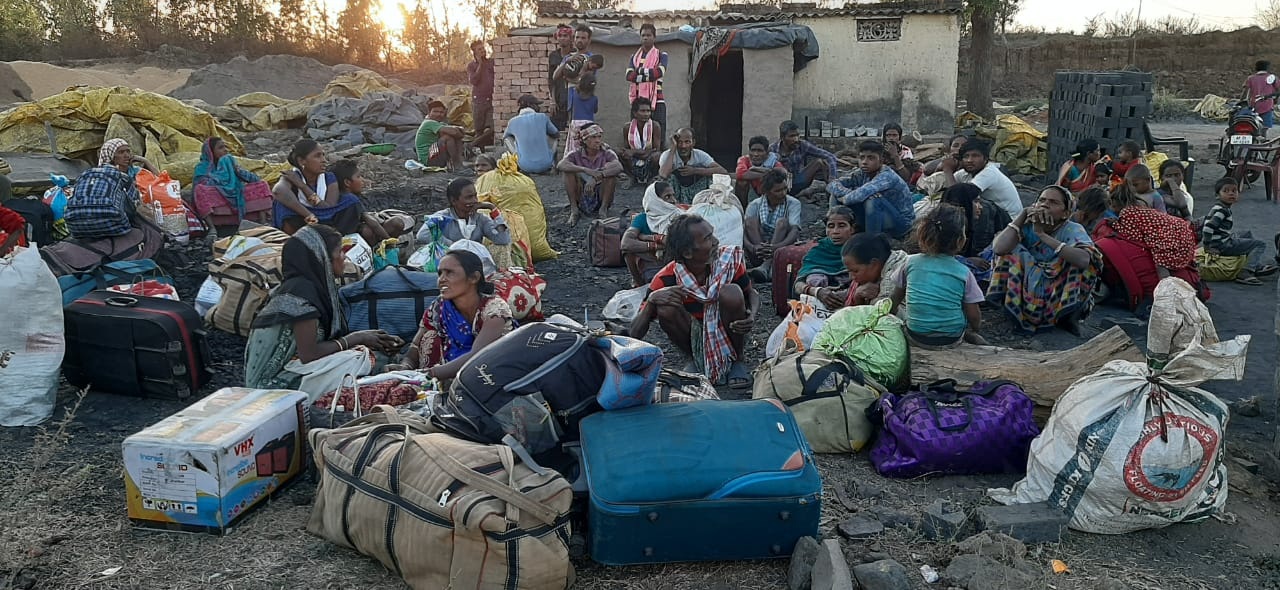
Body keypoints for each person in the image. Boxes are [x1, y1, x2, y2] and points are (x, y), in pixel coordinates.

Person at [244, 225, 402, 393]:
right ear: (322, 258)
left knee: (368, 355)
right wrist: (357, 338)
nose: (344, 257)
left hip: (294, 366)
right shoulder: (301, 294)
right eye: (340, 251)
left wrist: (366, 338)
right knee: (367, 360)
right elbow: (309, 355)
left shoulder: (311, 287)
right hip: (272, 385)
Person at [631, 214, 759, 388]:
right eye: (707, 239)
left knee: (732, 292)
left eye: (712, 235)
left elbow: (751, 293)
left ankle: (737, 359)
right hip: (693, 332)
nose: (716, 242)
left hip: (728, 328)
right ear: (687, 253)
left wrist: (751, 316)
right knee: (666, 307)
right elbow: (634, 333)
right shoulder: (666, 278)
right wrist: (652, 302)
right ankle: (694, 358)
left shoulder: (728, 262)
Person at [988, 186, 1101, 335]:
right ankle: (1012, 313)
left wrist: (1042, 234)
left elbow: (1084, 260)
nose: (1045, 205)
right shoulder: (1026, 225)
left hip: (1057, 285)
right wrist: (1023, 215)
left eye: (1053, 202)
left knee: (1085, 262)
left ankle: (1068, 317)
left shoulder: (1072, 229)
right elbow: (998, 249)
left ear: (1065, 213)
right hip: (1029, 281)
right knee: (1009, 252)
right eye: (1041, 200)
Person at [401, 249, 517, 382]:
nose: (441, 279)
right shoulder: (439, 306)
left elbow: (477, 355)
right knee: (429, 337)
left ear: (474, 278)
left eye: (449, 273)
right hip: (442, 374)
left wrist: (429, 374)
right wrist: (405, 366)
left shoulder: (494, 309)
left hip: (489, 377)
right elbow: (415, 345)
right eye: (440, 273)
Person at [890, 204, 987, 347]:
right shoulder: (963, 272)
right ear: (960, 241)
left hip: (915, 335)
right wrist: (976, 328)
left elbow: (895, 299)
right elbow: (973, 314)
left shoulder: (910, 262)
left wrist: (889, 316)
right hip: (951, 338)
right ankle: (971, 337)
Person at [63, 139, 151, 240]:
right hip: (115, 219)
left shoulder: (133, 170)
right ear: (111, 156)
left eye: (128, 151)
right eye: (121, 152)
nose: (126, 155)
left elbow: (161, 180)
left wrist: (145, 161)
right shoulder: (108, 177)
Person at [827, 140, 915, 239]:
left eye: (871, 158)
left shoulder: (887, 176)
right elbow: (832, 185)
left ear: (881, 160)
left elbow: (855, 197)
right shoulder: (861, 173)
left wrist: (846, 197)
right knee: (835, 194)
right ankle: (835, 231)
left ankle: (872, 240)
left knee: (872, 199)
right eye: (862, 158)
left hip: (901, 224)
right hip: (877, 218)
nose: (864, 162)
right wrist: (847, 194)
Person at [271, 140, 360, 235]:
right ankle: (297, 238)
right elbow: (278, 191)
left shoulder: (329, 177)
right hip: (304, 220)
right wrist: (309, 216)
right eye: (318, 156)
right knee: (281, 204)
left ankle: (336, 236)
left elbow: (327, 209)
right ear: (301, 161)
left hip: (328, 219)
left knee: (351, 200)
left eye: (323, 155)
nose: (324, 160)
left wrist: (302, 186)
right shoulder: (292, 176)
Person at [1202, 176, 1278, 285]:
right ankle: (1246, 272)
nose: (1231, 194)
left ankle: (1255, 265)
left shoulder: (1219, 207)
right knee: (1260, 244)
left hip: (1221, 240)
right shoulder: (1222, 211)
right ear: (1217, 195)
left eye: (1234, 191)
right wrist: (1207, 247)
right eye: (1226, 191)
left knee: (1247, 234)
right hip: (1222, 245)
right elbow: (1208, 228)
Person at [940, 183, 1011, 284]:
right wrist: (967, 261)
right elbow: (939, 258)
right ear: (964, 204)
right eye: (975, 201)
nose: (980, 207)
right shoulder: (944, 228)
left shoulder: (970, 224)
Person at [329, 159, 409, 247]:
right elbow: (371, 222)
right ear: (347, 182)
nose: (362, 180)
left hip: (343, 239)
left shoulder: (334, 198)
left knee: (394, 223)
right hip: (349, 242)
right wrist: (389, 241)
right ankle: (380, 250)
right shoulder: (351, 200)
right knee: (367, 231)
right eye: (358, 177)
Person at [792, 206, 857, 309]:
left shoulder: (859, 249)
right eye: (831, 226)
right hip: (819, 305)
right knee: (814, 278)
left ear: (852, 228)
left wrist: (847, 293)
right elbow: (798, 285)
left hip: (852, 302)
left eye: (841, 226)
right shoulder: (817, 252)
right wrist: (817, 292)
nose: (835, 231)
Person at [557, 123, 622, 224]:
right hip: (582, 193)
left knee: (611, 176)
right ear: (584, 140)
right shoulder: (575, 154)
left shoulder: (607, 152)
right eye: (593, 137)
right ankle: (574, 210)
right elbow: (560, 165)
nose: (598, 140)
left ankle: (603, 210)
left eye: (599, 137)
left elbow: (618, 167)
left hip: (600, 193)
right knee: (568, 173)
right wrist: (585, 170)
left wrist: (597, 178)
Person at [621, 180, 682, 287]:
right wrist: (655, 245)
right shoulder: (643, 218)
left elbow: (675, 243)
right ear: (655, 200)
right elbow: (625, 243)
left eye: (673, 196)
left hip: (677, 263)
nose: (673, 201)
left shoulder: (679, 216)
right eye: (667, 197)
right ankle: (639, 282)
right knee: (627, 251)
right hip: (653, 262)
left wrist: (647, 237)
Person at [743, 169, 802, 281]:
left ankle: (765, 266)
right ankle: (767, 266)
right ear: (767, 192)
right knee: (750, 221)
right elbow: (744, 232)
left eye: (785, 189)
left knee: (783, 222)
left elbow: (795, 231)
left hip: (781, 249)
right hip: (759, 252)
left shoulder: (793, 203)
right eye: (778, 191)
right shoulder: (754, 205)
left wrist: (776, 247)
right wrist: (753, 247)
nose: (783, 193)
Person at [193, 136, 264, 228]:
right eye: (220, 148)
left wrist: (238, 171)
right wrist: (222, 174)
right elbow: (202, 184)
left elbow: (255, 180)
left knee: (262, 185)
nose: (225, 150)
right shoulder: (202, 167)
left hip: (236, 193)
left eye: (225, 147)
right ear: (210, 152)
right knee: (199, 190)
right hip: (218, 195)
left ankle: (263, 223)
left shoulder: (230, 163)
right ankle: (212, 228)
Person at [419, 177, 510, 246]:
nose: (475, 200)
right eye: (469, 197)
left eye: (475, 196)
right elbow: (422, 235)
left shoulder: (479, 219)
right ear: (454, 201)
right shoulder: (443, 217)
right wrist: (452, 245)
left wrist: (492, 208)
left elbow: (503, 240)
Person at [943, 139, 1023, 218]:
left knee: (976, 205)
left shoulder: (990, 172)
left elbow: (958, 194)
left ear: (985, 159)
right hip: (996, 216)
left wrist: (948, 170)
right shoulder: (965, 173)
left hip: (1010, 219)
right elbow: (948, 187)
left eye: (975, 156)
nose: (969, 160)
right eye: (966, 156)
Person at [659, 127, 726, 204]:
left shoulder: (700, 155)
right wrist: (673, 147)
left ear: (693, 143)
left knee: (711, 177)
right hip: (676, 194)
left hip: (696, 193)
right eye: (679, 142)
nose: (683, 146)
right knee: (668, 179)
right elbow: (663, 174)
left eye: (687, 142)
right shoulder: (667, 155)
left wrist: (695, 170)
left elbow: (722, 171)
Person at [772, 120, 837, 198]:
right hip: (780, 185)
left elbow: (830, 156)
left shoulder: (802, 145)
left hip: (798, 181)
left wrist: (832, 178)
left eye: (797, 135)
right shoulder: (773, 149)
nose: (796, 139)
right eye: (792, 136)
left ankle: (831, 191)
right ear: (782, 137)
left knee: (820, 162)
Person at [842, 231, 908, 306]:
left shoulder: (895, 271)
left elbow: (883, 309)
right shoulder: (877, 270)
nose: (851, 277)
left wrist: (860, 296)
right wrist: (857, 296)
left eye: (855, 271)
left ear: (874, 264)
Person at [626, 23, 669, 131]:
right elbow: (629, 76)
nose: (645, 38)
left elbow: (658, 73)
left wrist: (639, 71)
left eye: (648, 35)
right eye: (643, 35)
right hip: (638, 102)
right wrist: (649, 75)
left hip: (657, 101)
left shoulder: (662, 56)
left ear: (654, 37)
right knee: (636, 132)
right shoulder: (634, 57)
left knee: (658, 131)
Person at [503, 94, 559, 174]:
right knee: (553, 137)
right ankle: (554, 167)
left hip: (524, 166)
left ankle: (516, 165)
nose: (539, 107)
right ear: (530, 105)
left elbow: (504, 137)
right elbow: (556, 134)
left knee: (507, 139)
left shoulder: (512, 121)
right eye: (536, 105)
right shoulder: (542, 117)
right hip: (545, 164)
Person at [734, 135, 788, 208]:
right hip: (751, 192)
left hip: (768, 194)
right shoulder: (744, 159)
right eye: (753, 150)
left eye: (760, 151)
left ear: (767, 152)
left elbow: (783, 173)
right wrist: (768, 172)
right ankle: (743, 209)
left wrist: (754, 171)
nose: (755, 154)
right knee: (742, 182)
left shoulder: (773, 161)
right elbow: (740, 174)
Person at [618, 97, 663, 184]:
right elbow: (626, 150)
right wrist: (638, 153)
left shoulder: (655, 126)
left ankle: (651, 178)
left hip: (649, 157)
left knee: (657, 156)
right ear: (635, 113)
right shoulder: (627, 127)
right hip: (635, 158)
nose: (646, 114)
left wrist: (635, 152)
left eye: (648, 111)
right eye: (642, 111)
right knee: (618, 152)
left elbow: (656, 149)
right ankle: (631, 177)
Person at [414, 99, 466, 171]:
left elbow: (460, 132)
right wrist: (457, 131)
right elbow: (455, 132)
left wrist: (457, 131)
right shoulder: (428, 123)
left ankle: (459, 163)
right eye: (435, 111)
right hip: (428, 159)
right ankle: (456, 165)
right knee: (447, 138)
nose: (438, 114)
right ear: (429, 112)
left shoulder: (438, 123)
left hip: (434, 155)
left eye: (441, 112)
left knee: (452, 136)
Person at [562, 69, 602, 158]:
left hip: (575, 123)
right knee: (587, 146)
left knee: (574, 146)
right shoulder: (594, 98)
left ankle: (572, 160)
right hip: (588, 124)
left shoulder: (575, 94)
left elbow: (570, 108)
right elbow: (595, 110)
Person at [467, 39, 495, 149]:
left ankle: (473, 146)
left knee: (491, 128)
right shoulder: (471, 66)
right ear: (474, 52)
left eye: (483, 48)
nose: (483, 50)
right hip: (478, 101)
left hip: (491, 100)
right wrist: (480, 64)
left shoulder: (491, 62)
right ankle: (476, 149)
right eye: (479, 49)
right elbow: (474, 80)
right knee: (479, 129)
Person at [547, 24, 574, 130]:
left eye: (565, 36)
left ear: (570, 38)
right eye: (560, 36)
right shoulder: (554, 56)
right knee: (556, 128)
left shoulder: (575, 54)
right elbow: (551, 80)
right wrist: (553, 101)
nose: (562, 38)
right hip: (559, 97)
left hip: (572, 95)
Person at [1244, 60, 1280, 133]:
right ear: (1267, 68)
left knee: (1252, 125)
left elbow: (1245, 92)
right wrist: (1274, 98)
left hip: (1253, 106)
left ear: (1256, 68)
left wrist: (1241, 102)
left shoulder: (1251, 78)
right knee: (1265, 127)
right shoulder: (1273, 78)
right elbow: (1278, 91)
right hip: (1267, 106)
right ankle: (1262, 137)